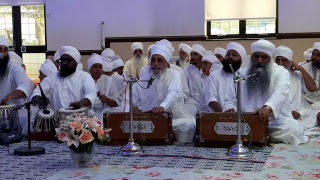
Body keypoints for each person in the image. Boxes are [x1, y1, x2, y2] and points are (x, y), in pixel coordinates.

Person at [223, 39, 308, 145]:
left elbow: (280, 92)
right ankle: (259, 136)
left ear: (270, 58)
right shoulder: (241, 74)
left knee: (293, 130)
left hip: (273, 122)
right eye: (256, 56)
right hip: (246, 121)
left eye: (264, 57)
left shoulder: (281, 72)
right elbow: (230, 98)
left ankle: (258, 136)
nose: (259, 61)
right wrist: (230, 108)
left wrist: (268, 107)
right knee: (224, 128)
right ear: (252, 57)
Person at [132, 43, 196, 145]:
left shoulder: (174, 74)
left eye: (159, 60)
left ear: (166, 62)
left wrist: (162, 107)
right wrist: (133, 106)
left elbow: (174, 92)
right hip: (149, 120)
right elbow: (133, 97)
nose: (155, 63)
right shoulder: (144, 79)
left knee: (188, 124)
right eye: (153, 60)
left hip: (173, 118)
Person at [30, 46, 96, 112]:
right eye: (62, 60)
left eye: (68, 60)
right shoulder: (52, 77)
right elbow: (37, 91)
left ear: (76, 63)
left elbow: (91, 95)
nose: (64, 63)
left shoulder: (84, 76)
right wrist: (37, 98)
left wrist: (81, 103)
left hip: (80, 119)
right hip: (57, 119)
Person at [274, 45, 320, 130]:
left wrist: (301, 69)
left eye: (284, 60)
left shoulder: (296, 74)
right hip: (280, 114)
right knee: (290, 127)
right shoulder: (271, 76)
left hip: (300, 110)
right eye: (278, 60)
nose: (280, 63)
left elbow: (313, 88)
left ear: (290, 61)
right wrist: (288, 112)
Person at [203, 42, 246, 112]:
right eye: (228, 54)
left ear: (241, 60)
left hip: (242, 117)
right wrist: (224, 116)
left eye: (234, 55)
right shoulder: (214, 75)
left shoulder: (244, 76)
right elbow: (211, 99)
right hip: (217, 117)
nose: (230, 57)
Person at [0, 35, 34, 106]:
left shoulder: (15, 68)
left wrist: (8, 97)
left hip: (12, 112)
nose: (2, 54)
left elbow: (25, 85)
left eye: (5, 50)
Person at [87, 54, 118, 120]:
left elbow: (116, 103)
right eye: (95, 67)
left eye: (100, 67)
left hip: (105, 114)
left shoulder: (108, 80)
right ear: (90, 69)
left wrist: (107, 100)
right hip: (87, 115)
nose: (98, 69)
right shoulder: (85, 80)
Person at [184, 44, 206, 110]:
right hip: (192, 103)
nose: (192, 57)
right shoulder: (186, 71)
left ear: (202, 57)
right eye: (191, 54)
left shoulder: (207, 71)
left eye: (195, 54)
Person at [301, 42, 320, 108]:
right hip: (306, 99)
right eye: (313, 54)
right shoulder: (304, 67)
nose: (314, 57)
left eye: (318, 55)